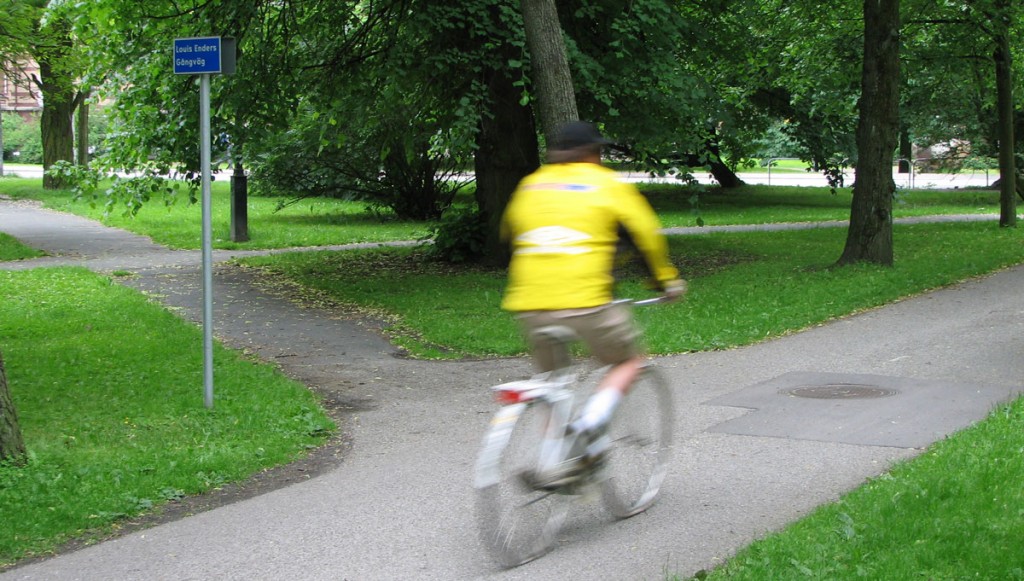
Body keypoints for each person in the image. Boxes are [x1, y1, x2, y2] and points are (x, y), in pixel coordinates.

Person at [500, 120, 686, 488]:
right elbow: (646, 237)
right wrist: (665, 280)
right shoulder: (609, 185)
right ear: (594, 153)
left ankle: (553, 461)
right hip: (586, 302)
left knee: (551, 382)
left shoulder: (531, 184)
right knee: (629, 359)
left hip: (530, 304)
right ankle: (590, 425)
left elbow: (509, 235)